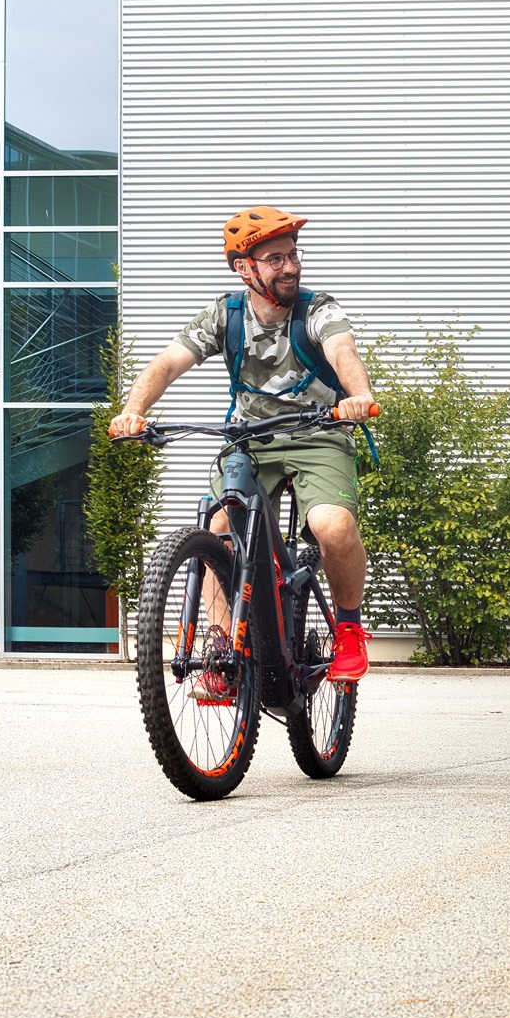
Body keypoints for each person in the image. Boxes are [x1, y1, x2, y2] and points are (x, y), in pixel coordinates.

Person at [109, 206, 376, 690]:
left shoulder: (318, 309)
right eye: (276, 259)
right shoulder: (226, 316)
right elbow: (167, 364)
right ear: (245, 268)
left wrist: (358, 396)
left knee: (330, 526)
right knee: (217, 528)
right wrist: (133, 410)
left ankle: (351, 629)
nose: (291, 266)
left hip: (318, 432)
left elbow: (343, 352)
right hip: (250, 439)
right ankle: (219, 646)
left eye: (293, 255)